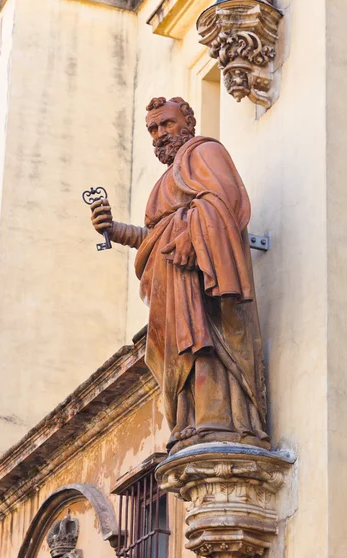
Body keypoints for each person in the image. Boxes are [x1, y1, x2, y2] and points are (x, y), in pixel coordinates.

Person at [90, 96, 269, 453]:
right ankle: (189, 425)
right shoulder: (163, 183)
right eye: (153, 129)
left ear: (188, 123)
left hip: (202, 280)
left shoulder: (205, 153)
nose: (159, 134)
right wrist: (114, 229)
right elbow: (156, 239)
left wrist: (192, 234)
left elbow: (226, 201)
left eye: (167, 124)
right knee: (182, 356)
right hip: (171, 287)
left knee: (207, 346)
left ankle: (222, 422)